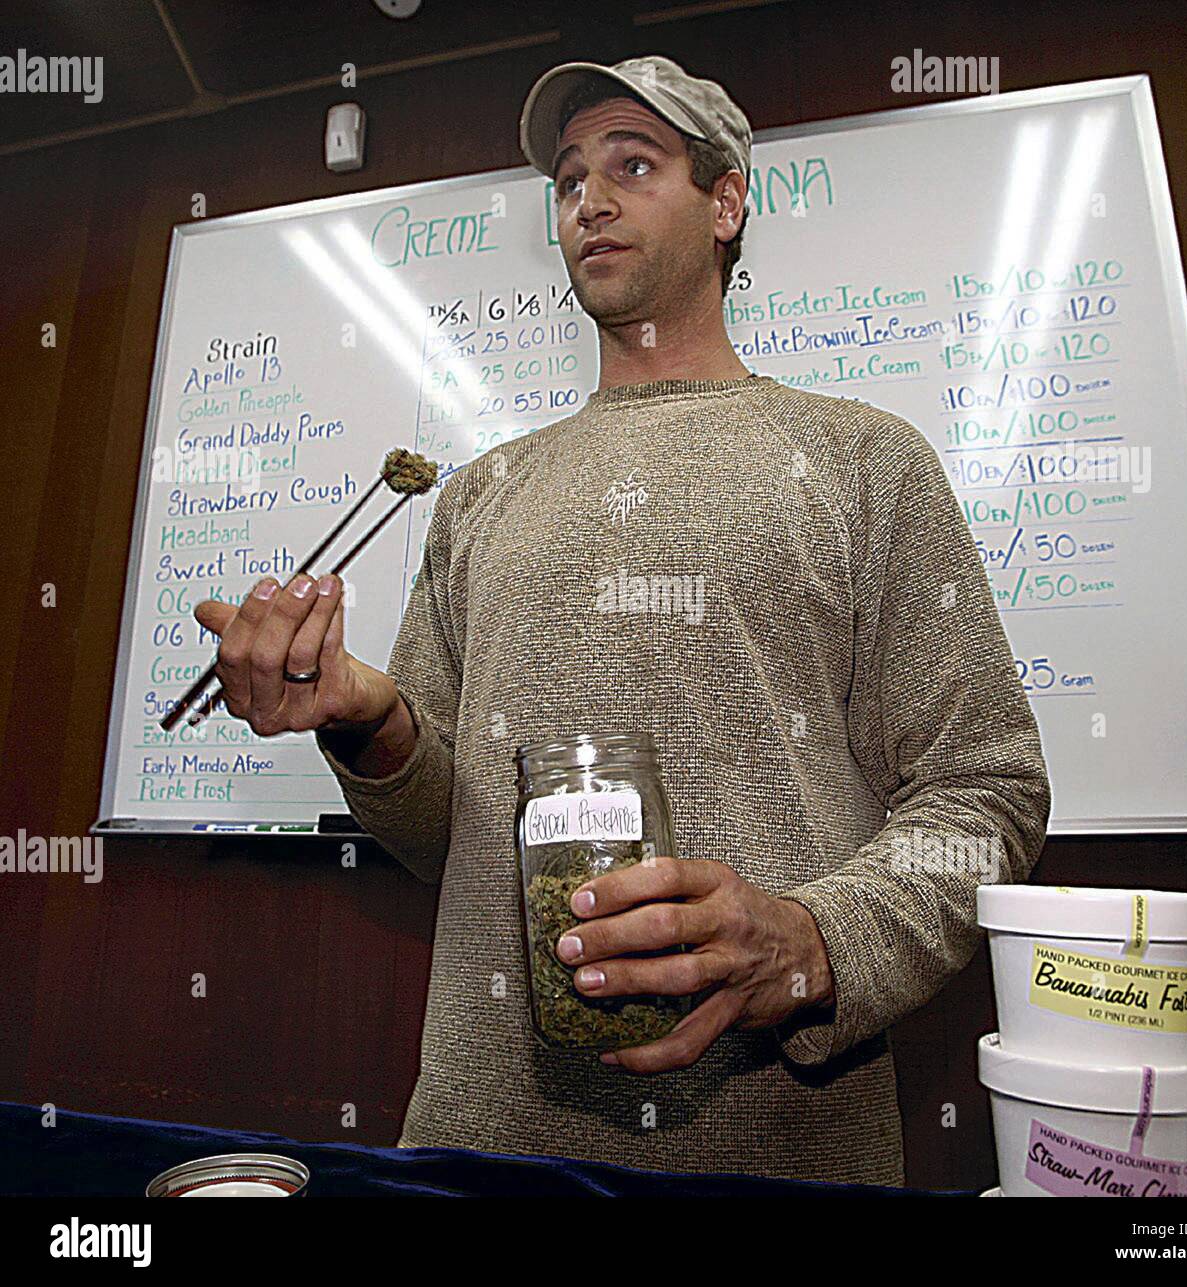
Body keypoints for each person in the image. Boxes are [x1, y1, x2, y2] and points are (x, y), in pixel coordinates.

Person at [194, 54, 1052, 1185]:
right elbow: (450, 843)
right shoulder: (481, 494)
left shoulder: (863, 462)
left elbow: (985, 794)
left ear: (727, 202)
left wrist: (811, 942)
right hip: (481, 1134)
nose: (587, 200)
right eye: (566, 179)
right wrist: (374, 724)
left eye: (633, 165)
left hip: (780, 1149)